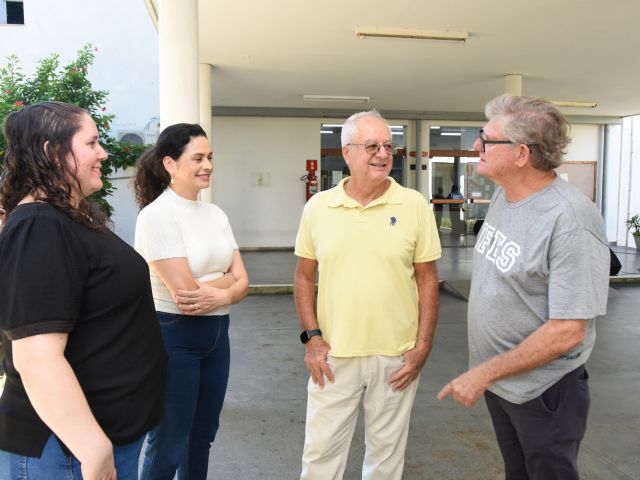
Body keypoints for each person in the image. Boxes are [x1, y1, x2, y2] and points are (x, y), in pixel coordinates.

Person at [438, 95, 610, 480]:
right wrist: (491, 373)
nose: (475, 146)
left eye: (486, 138)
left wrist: (484, 373)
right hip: (503, 382)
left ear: (520, 154)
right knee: (517, 472)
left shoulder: (570, 220)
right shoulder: (505, 195)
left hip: (543, 391)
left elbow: (568, 330)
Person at [0, 101, 167, 479]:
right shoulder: (39, 228)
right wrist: (92, 447)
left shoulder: (64, 218)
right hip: (65, 450)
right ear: (52, 152)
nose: (103, 153)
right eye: (91, 143)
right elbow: (36, 358)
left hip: (95, 440)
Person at [294, 110, 441, 480]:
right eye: (372, 145)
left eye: (389, 146)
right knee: (320, 456)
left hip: (396, 357)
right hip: (333, 354)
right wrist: (312, 339)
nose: (382, 154)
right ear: (347, 153)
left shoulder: (414, 206)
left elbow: (427, 280)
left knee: (386, 459)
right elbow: (302, 277)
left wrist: (421, 346)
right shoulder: (318, 208)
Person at [134, 123, 249, 480]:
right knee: (169, 443)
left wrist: (226, 289)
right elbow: (186, 296)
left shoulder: (215, 214)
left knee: (202, 437)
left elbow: (245, 281)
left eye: (210, 157)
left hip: (218, 335)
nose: (208, 165)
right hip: (175, 337)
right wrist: (230, 283)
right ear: (170, 163)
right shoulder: (157, 215)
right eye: (197, 157)